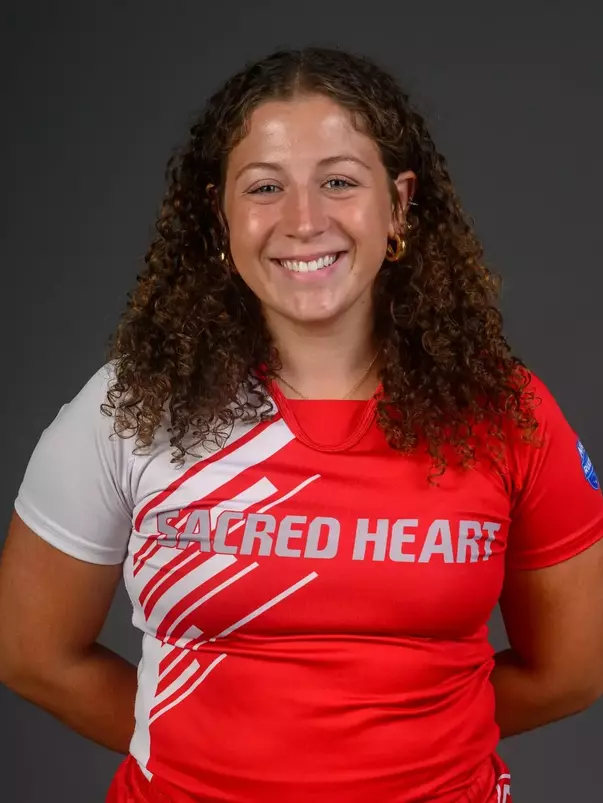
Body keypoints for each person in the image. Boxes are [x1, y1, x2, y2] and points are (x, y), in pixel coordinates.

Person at [1, 46, 602, 803]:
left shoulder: (505, 411)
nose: (303, 220)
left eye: (339, 181)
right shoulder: (132, 404)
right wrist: (210, 754)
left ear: (399, 204)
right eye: (264, 187)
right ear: (219, 215)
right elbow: (32, 653)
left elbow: (570, 671)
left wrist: (405, 751)